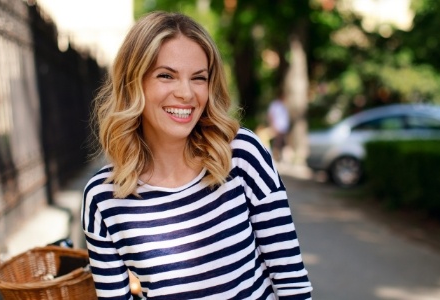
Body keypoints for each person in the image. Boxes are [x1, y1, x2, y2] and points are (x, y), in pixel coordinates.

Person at [82, 11, 312, 300]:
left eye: (199, 78)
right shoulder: (103, 199)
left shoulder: (241, 156)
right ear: (133, 83)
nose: (186, 93)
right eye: (166, 75)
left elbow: (292, 284)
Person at [267, 92, 290, 161]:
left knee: (283, 143)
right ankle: (275, 157)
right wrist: (273, 126)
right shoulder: (275, 105)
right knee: (277, 143)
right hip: (278, 127)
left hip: (284, 128)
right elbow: (271, 116)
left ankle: (282, 158)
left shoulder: (284, 105)